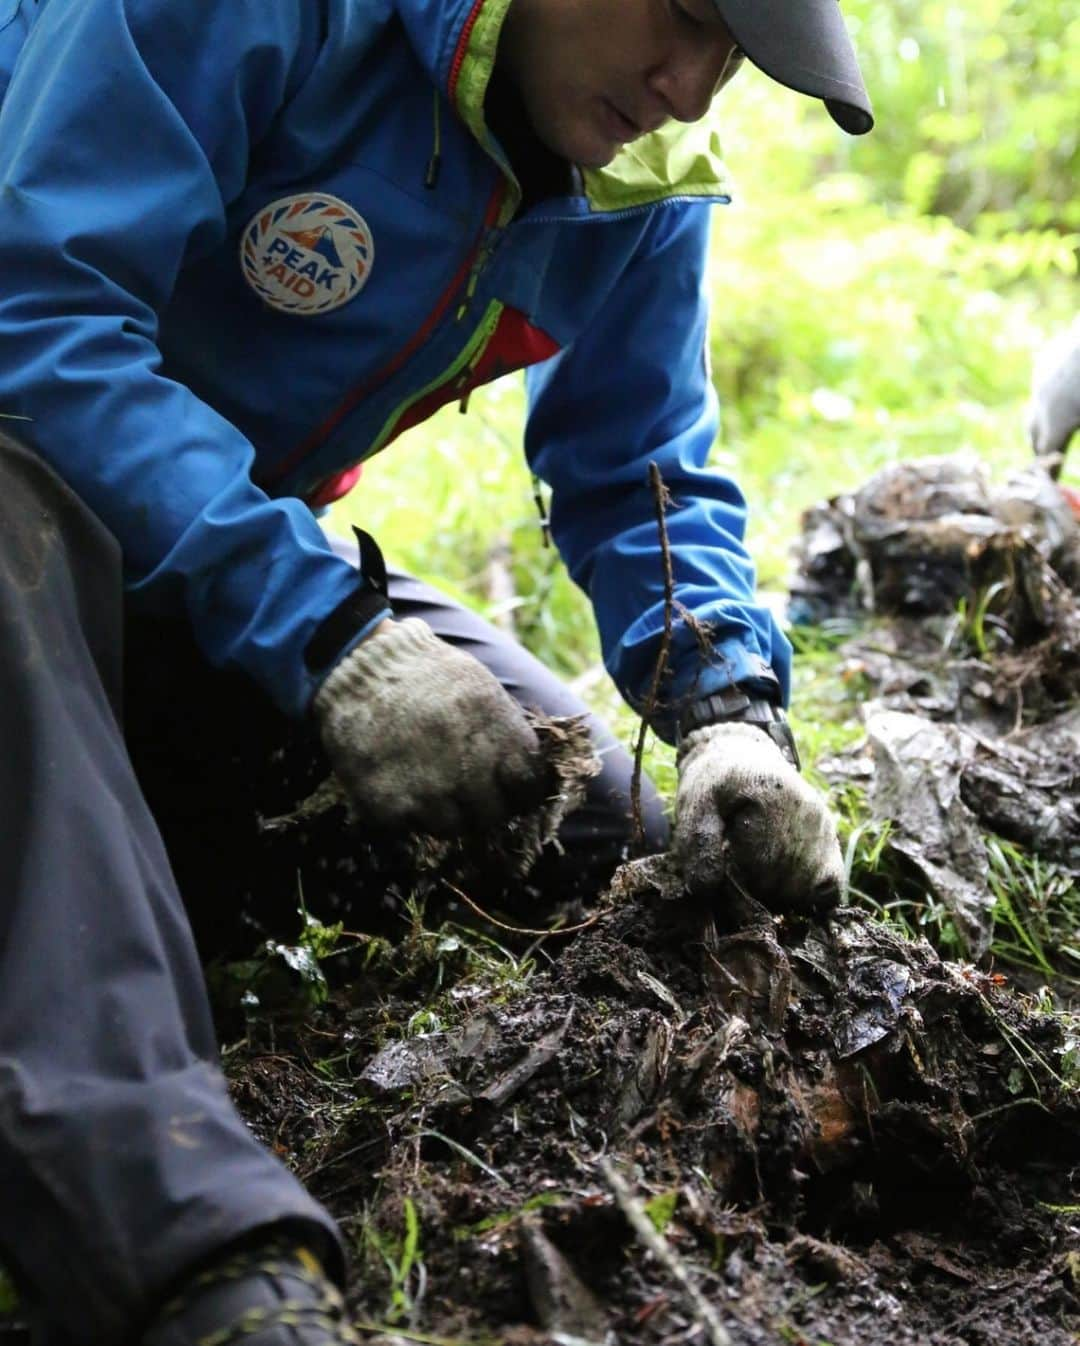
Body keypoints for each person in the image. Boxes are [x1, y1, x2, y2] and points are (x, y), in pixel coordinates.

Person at [0, 0, 872, 1340]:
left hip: (180, 563)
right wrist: (319, 626)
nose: (688, 88)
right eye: (683, 14)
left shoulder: (631, 168)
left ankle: (131, 869)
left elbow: (638, 450)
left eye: (734, 57)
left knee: (604, 847)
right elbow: (34, 317)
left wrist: (728, 712)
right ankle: (184, 1254)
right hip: (26, 499)